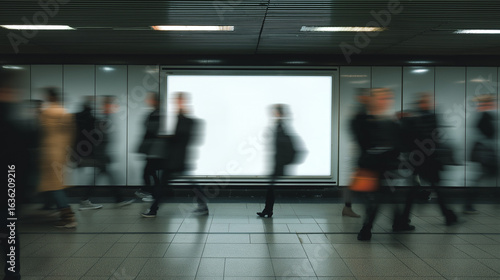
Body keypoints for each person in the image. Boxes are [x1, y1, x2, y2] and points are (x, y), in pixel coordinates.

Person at [352, 88, 414, 241]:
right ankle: (368, 227)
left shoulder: (389, 121)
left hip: (385, 167)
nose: (385, 101)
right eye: (382, 98)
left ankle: (389, 223)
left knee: (384, 195)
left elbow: (400, 143)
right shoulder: (364, 120)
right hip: (372, 167)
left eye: (387, 98)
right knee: (378, 197)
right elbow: (364, 142)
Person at [399, 93, 457, 225]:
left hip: (417, 159)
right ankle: (447, 215)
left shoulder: (412, 118)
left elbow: (408, 139)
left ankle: (403, 218)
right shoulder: (430, 118)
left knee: (414, 189)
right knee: (435, 188)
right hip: (428, 160)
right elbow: (434, 138)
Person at [142, 92, 198, 218]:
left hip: (176, 159)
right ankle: (153, 209)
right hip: (176, 158)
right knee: (188, 184)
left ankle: (153, 210)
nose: (175, 103)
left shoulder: (184, 119)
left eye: (177, 100)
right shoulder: (181, 118)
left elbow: (180, 138)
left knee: (164, 185)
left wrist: (164, 137)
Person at [77, 96, 135, 210]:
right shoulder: (102, 118)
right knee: (107, 176)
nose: (115, 107)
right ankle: (117, 199)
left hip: (101, 153)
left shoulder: (105, 117)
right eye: (112, 104)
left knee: (104, 176)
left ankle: (116, 199)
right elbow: (99, 138)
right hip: (100, 154)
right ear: (107, 105)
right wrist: (101, 154)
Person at [38, 87, 77, 228]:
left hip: (49, 153)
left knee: (54, 186)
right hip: (61, 153)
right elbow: (71, 135)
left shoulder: (46, 112)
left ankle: (67, 216)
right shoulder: (65, 113)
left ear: (50, 97)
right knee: (55, 184)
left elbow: (40, 132)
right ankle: (52, 207)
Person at [257, 104, 297, 218]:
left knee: (271, 188)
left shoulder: (281, 127)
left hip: (279, 164)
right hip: (277, 163)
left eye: (275, 112)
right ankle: (268, 210)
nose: (273, 114)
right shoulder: (280, 126)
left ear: (279, 113)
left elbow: (282, 145)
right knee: (271, 188)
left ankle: (268, 210)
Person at [466, 93, 497, 214]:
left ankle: (468, 204)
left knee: (483, 177)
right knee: (482, 177)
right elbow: (488, 133)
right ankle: (468, 204)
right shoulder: (485, 116)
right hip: (484, 152)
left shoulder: (485, 115)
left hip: (484, 151)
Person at [136, 92, 162, 202]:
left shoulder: (156, 115)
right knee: (151, 173)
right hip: (154, 150)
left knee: (148, 172)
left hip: (154, 150)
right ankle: (153, 193)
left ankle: (151, 193)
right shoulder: (155, 114)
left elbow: (150, 132)